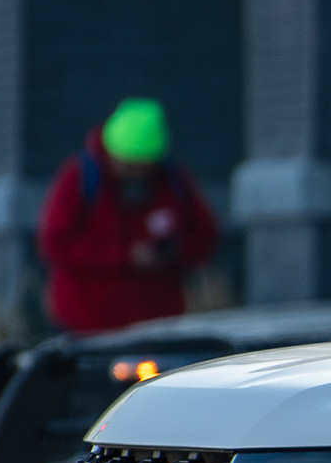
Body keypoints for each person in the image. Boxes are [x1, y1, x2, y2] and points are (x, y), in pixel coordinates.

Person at [38, 98, 219, 334]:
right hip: (87, 324)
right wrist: (126, 255)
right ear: (111, 152)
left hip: (158, 325)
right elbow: (55, 243)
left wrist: (174, 251)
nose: (136, 174)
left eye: (144, 166)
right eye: (128, 165)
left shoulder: (173, 182)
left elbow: (205, 236)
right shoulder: (80, 178)